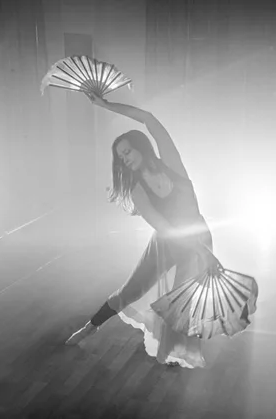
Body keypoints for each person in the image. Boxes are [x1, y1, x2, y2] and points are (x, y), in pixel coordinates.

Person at [65, 93, 219, 368]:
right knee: (131, 291)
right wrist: (201, 252)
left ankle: (172, 352)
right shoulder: (138, 190)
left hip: (198, 236)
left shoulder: (171, 162)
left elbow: (149, 120)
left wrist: (108, 106)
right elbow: (166, 229)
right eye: (120, 158)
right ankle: (91, 326)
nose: (125, 160)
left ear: (141, 147)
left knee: (184, 299)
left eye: (127, 152)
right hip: (168, 241)